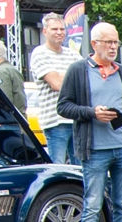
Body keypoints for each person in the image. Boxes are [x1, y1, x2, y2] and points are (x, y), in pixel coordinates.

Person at [56, 22, 122, 222]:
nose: (113, 47)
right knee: (92, 203)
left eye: (116, 42)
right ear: (94, 44)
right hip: (94, 149)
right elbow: (63, 106)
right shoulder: (78, 70)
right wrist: (92, 112)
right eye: (108, 42)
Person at [29, 13, 80, 163]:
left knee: (80, 168)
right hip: (54, 120)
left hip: (76, 119)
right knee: (57, 167)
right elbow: (56, 84)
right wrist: (71, 76)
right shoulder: (39, 53)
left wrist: (62, 76)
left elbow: (85, 79)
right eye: (54, 29)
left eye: (62, 29)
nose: (59, 32)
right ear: (45, 31)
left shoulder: (73, 53)